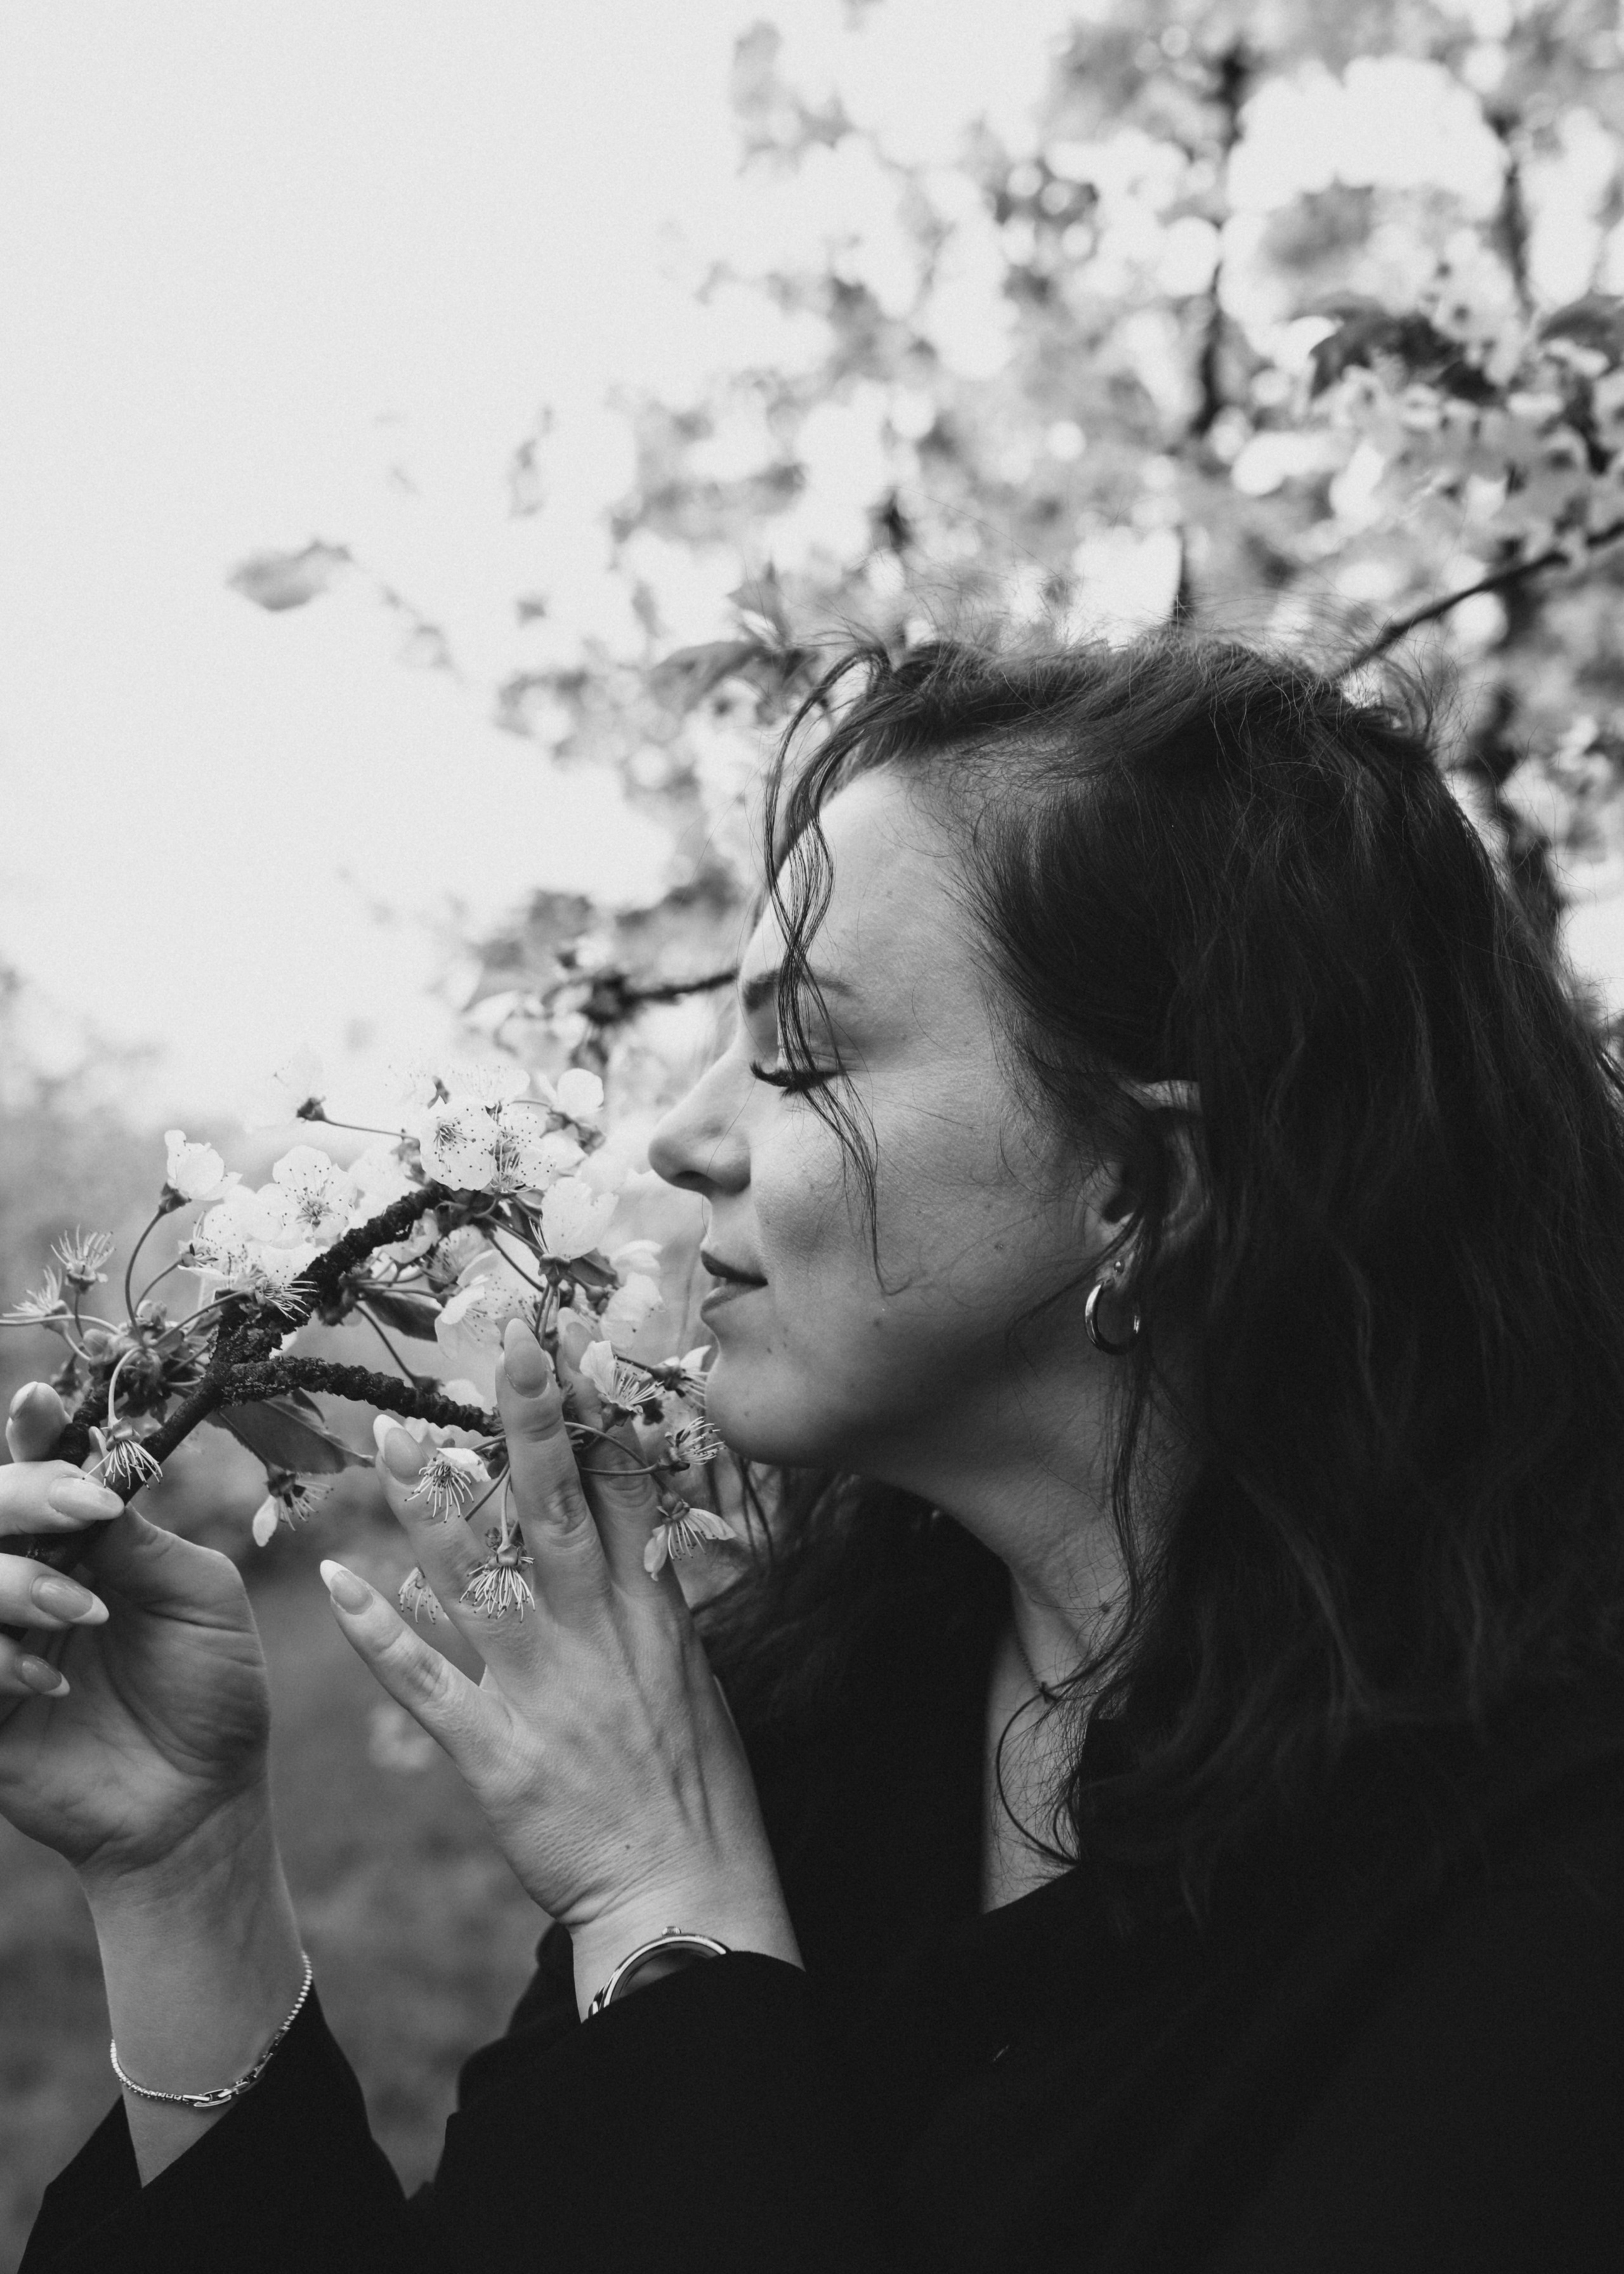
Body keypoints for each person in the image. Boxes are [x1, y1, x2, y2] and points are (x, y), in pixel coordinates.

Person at [4, 628, 1624, 2273]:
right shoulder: (805, 1718)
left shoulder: (1550, 1905)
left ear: (1145, 1181)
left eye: (800, 1055)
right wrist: (185, 1874)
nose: (680, 1136)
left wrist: (669, 1925)